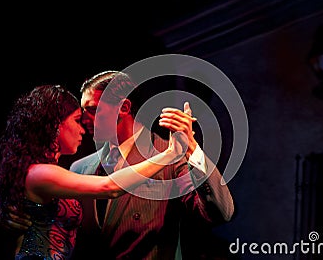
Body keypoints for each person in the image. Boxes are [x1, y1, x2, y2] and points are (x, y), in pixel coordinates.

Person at [0, 84, 191, 260]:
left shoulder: (55, 173)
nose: (83, 127)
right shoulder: (40, 173)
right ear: (55, 125)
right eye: (76, 120)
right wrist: (170, 154)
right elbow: (109, 187)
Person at [69, 71, 235, 259]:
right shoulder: (80, 168)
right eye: (83, 111)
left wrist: (191, 148)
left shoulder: (168, 156)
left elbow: (221, 212)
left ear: (124, 107)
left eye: (92, 110)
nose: (83, 119)